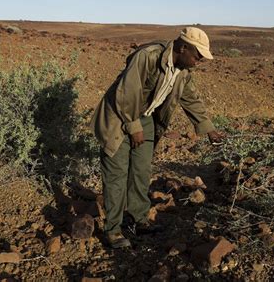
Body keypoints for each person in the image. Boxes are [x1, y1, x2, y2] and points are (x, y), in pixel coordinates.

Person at [90, 27, 224, 248]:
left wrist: (208, 129)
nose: (198, 61)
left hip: (145, 119)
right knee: (117, 174)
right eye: (197, 56)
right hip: (119, 116)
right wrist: (133, 127)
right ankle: (113, 230)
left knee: (141, 171)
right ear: (183, 48)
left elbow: (190, 99)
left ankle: (138, 220)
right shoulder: (148, 56)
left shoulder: (183, 70)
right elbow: (127, 92)